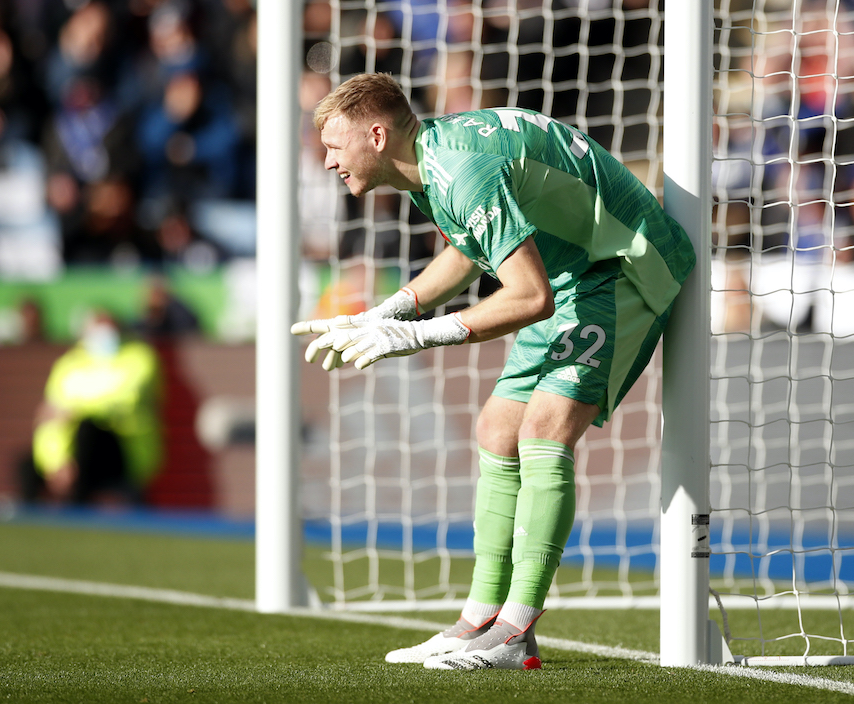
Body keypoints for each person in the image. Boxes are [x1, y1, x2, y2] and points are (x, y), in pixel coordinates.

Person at [291, 73, 696, 671]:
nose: (326, 161)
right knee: (496, 430)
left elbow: (530, 298)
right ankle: (477, 621)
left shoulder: (460, 170)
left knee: (544, 427)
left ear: (375, 135)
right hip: (570, 269)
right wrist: (386, 311)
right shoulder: (432, 159)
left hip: (622, 264)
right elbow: (470, 247)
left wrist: (415, 335)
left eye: (333, 146)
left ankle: (514, 631)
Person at [18, 309, 163, 505]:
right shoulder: (68, 365)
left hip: (124, 449)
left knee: (88, 429)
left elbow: (128, 400)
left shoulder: (139, 358)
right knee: (26, 465)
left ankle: (77, 514)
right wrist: (56, 462)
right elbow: (50, 421)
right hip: (75, 453)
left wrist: (75, 411)